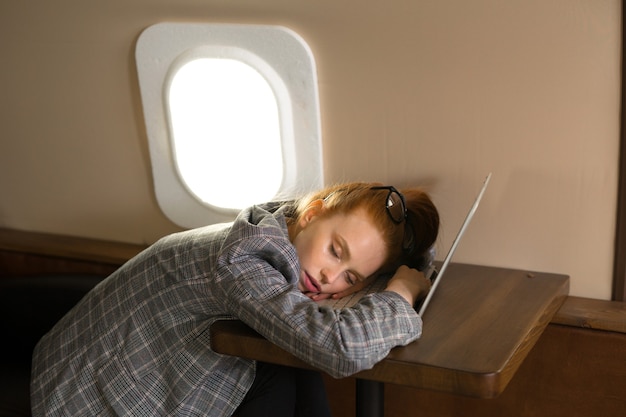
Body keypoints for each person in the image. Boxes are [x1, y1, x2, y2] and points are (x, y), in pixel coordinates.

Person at [30, 181, 439, 417]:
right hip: (81, 397)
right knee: (293, 366)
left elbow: (386, 257)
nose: (330, 277)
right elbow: (341, 348)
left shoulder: (283, 228)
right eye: (335, 250)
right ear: (312, 214)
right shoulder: (244, 259)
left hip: (138, 363)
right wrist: (400, 294)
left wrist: (411, 262)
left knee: (292, 364)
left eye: (351, 277)